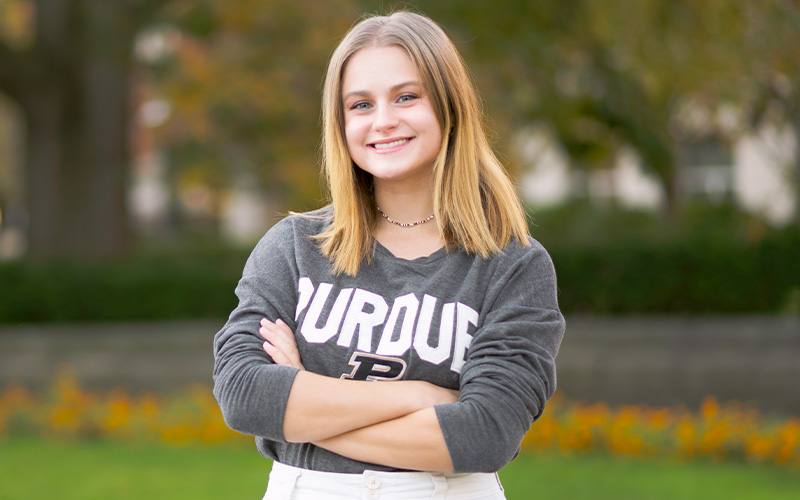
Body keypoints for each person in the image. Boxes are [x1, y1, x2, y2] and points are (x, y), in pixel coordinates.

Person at [213, 10, 565, 500]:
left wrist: (300, 407)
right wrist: (419, 397)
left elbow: (485, 434)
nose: (383, 121)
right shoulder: (294, 247)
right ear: (340, 122)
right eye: (360, 104)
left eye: (406, 96)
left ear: (449, 105)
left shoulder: (513, 265)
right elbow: (244, 395)